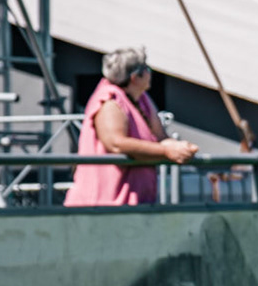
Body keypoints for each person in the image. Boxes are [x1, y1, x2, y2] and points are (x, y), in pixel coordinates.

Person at [63, 48, 198, 206]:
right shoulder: (110, 102)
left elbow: (160, 137)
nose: (150, 73)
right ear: (135, 77)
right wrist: (167, 152)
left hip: (136, 204)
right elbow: (116, 144)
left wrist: (180, 147)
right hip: (104, 205)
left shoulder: (142, 100)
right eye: (147, 69)